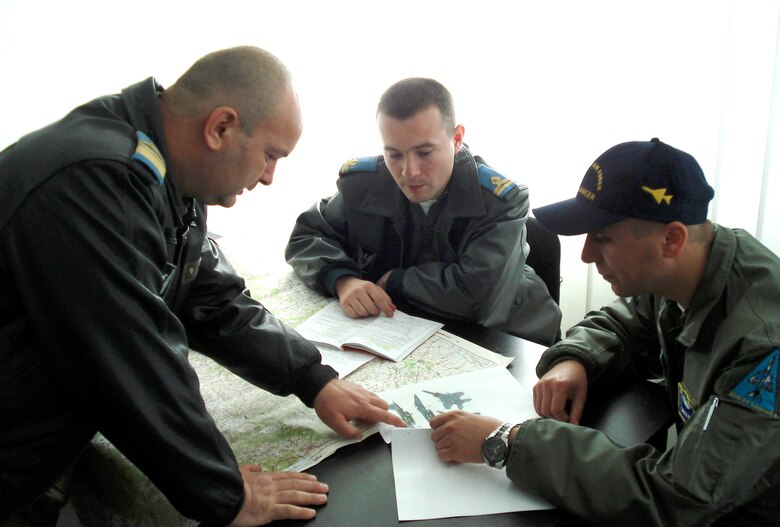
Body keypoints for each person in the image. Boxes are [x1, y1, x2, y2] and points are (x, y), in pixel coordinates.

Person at [0, 46, 404, 527]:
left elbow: (210, 297)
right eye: (271, 155)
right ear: (221, 128)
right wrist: (226, 493)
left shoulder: (162, 173)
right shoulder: (96, 181)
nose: (271, 177)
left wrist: (312, 379)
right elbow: (134, 354)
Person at [429, 138, 780, 525]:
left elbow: (676, 498)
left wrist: (508, 441)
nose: (585, 255)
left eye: (603, 237)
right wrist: (576, 360)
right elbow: (627, 321)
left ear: (672, 240)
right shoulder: (695, 264)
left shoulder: (762, 349)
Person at [285, 78, 561, 346]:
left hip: (511, 341)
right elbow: (306, 237)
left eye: (424, 152)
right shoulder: (364, 185)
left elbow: (479, 299)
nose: (409, 172)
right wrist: (343, 280)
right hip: (407, 333)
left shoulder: (501, 203)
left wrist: (397, 281)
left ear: (457, 138)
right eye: (394, 154)